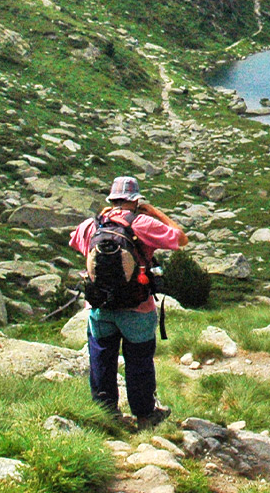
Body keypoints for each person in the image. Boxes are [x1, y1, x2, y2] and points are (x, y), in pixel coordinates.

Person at [68, 176, 185, 427]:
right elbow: (180, 239)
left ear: (112, 199)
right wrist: (153, 212)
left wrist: (102, 221)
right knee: (139, 361)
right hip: (137, 307)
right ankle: (144, 415)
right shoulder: (142, 222)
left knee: (101, 359)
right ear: (136, 200)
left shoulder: (93, 224)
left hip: (101, 307)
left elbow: (74, 241)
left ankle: (105, 415)